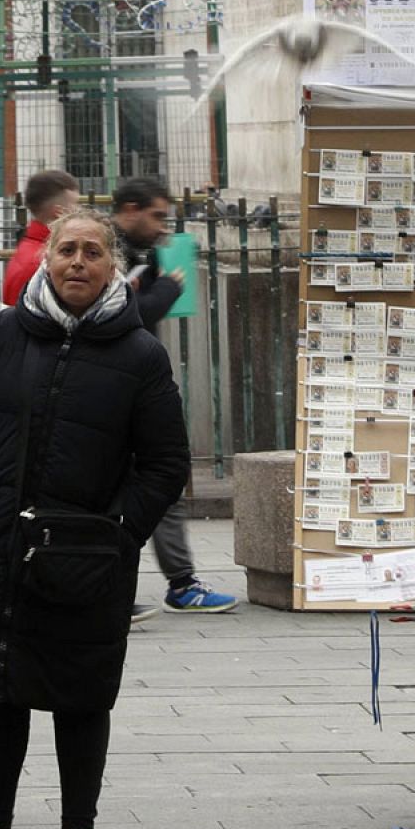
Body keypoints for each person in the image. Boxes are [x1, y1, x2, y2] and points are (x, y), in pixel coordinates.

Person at [0, 209, 189, 829]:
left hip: (86, 556)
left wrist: (117, 532)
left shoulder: (140, 354)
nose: (78, 261)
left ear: (112, 268)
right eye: (66, 250)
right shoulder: (7, 334)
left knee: (80, 696)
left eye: (93, 252)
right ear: (47, 261)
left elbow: (165, 464)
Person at [111, 177, 239, 616]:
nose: (163, 226)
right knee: (121, 491)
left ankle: (180, 583)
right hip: (114, 395)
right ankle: (120, 587)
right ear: (130, 209)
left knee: (163, 481)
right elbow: (126, 315)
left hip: (135, 391)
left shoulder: (136, 255)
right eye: (157, 216)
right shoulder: (104, 253)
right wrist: (167, 288)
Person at [2, 169, 79, 308]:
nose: (79, 211)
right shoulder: (41, 261)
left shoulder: (33, 252)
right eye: (75, 205)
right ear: (59, 212)